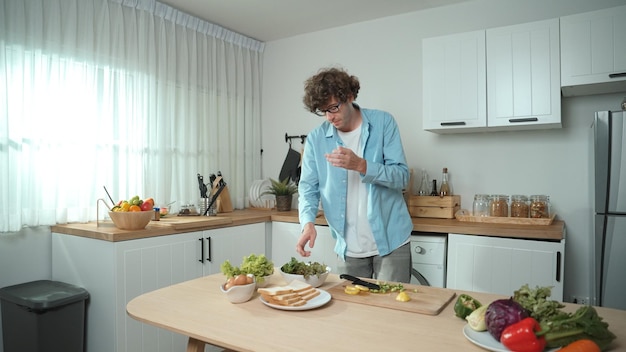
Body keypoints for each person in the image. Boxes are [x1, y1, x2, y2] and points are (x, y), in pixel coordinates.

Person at [295, 67, 413, 283]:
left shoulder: (383, 123)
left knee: (392, 312)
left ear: (349, 96)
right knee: (355, 314)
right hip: (348, 247)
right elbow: (308, 188)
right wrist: (307, 223)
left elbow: (402, 176)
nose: (330, 117)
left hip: (391, 240)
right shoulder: (316, 139)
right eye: (324, 111)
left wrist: (362, 165)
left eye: (333, 108)